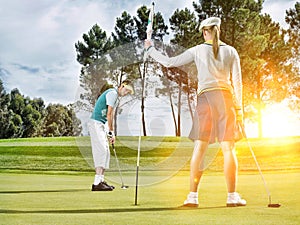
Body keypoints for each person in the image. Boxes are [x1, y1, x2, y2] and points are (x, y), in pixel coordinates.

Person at [144, 17, 246, 207]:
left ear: (204, 32)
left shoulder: (198, 50)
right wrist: (239, 110)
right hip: (225, 99)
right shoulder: (231, 51)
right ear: (219, 30)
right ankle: (232, 197)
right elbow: (238, 83)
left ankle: (192, 196)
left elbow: (169, 62)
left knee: (200, 149)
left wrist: (150, 49)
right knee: (228, 149)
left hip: (204, 100)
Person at [89, 80, 134, 191]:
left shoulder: (116, 97)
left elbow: (108, 116)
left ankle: (100, 181)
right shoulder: (112, 94)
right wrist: (111, 131)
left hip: (101, 124)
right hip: (96, 123)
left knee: (106, 152)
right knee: (102, 151)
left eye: (128, 92)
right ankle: (96, 183)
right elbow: (109, 114)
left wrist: (109, 132)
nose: (126, 93)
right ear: (122, 86)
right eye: (126, 90)